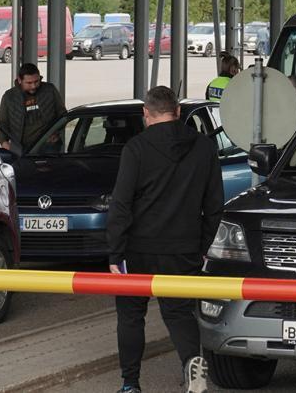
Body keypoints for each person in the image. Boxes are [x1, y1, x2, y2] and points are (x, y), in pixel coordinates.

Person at [107, 86, 222, 393]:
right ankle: (193, 370)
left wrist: (115, 254)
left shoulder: (136, 148)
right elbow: (214, 205)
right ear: (178, 112)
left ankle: (130, 383)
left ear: (146, 113)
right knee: (179, 312)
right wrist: (202, 247)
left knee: (131, 315)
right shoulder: (204, 147)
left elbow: (121, 204)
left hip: (138, 249)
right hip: (184, 248)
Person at [0, 63, 67, 154]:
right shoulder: (9, 97)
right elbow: (3, 123)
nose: (33, 86)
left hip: (48, 145)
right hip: (21, 148)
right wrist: (4, 143)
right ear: (19, 80)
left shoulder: (49, 90)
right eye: (29, 83)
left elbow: (63, 114)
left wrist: (56, 132)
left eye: (36, 81)